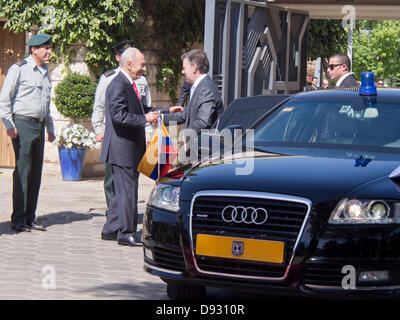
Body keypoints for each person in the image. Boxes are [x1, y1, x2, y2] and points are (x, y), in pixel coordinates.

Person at [100, 47, 182, 247]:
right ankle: (126, 233)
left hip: (125, 147)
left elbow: (138, 109)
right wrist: (144, 119)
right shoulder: (118, 84)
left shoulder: (128, 83)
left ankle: (111, 229)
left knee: (121, 192)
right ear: (129, 65)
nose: (145, 68)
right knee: (128, 191)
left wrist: (165, 110)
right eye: (142, 64)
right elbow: (119, 116)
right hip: (122, 148)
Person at [0, 33, 55, 233]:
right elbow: (5, 98)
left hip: (39, 126)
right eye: (45, 48)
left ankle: (31, 217)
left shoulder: (44, 71)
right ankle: (19, 219)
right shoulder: (19, 69)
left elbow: (45, 103)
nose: (49, 51)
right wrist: (8, 124)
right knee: (23, 172)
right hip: (22, 124)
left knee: (36, 175)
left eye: (49, 48)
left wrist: (50, 128)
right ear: (34, 49)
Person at [91, 40, 152, 212]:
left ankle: (118, 217)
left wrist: (148, 131)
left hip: (134, 136)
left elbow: (145, 107)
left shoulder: (141, 80)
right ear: (120, 59)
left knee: (129, 178)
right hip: (115, 134)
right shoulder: (110, 79)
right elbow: (100, 106)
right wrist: (98, 129)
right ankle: (114, 212)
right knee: (112, 178)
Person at [163, 49, 224, 156]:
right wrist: (161, 118)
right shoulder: (198, 86)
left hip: (204, 153)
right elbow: (186, 114)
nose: (182, 72)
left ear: (194, 68)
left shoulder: (206, 89)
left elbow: (203, 121)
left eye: (184, 68)